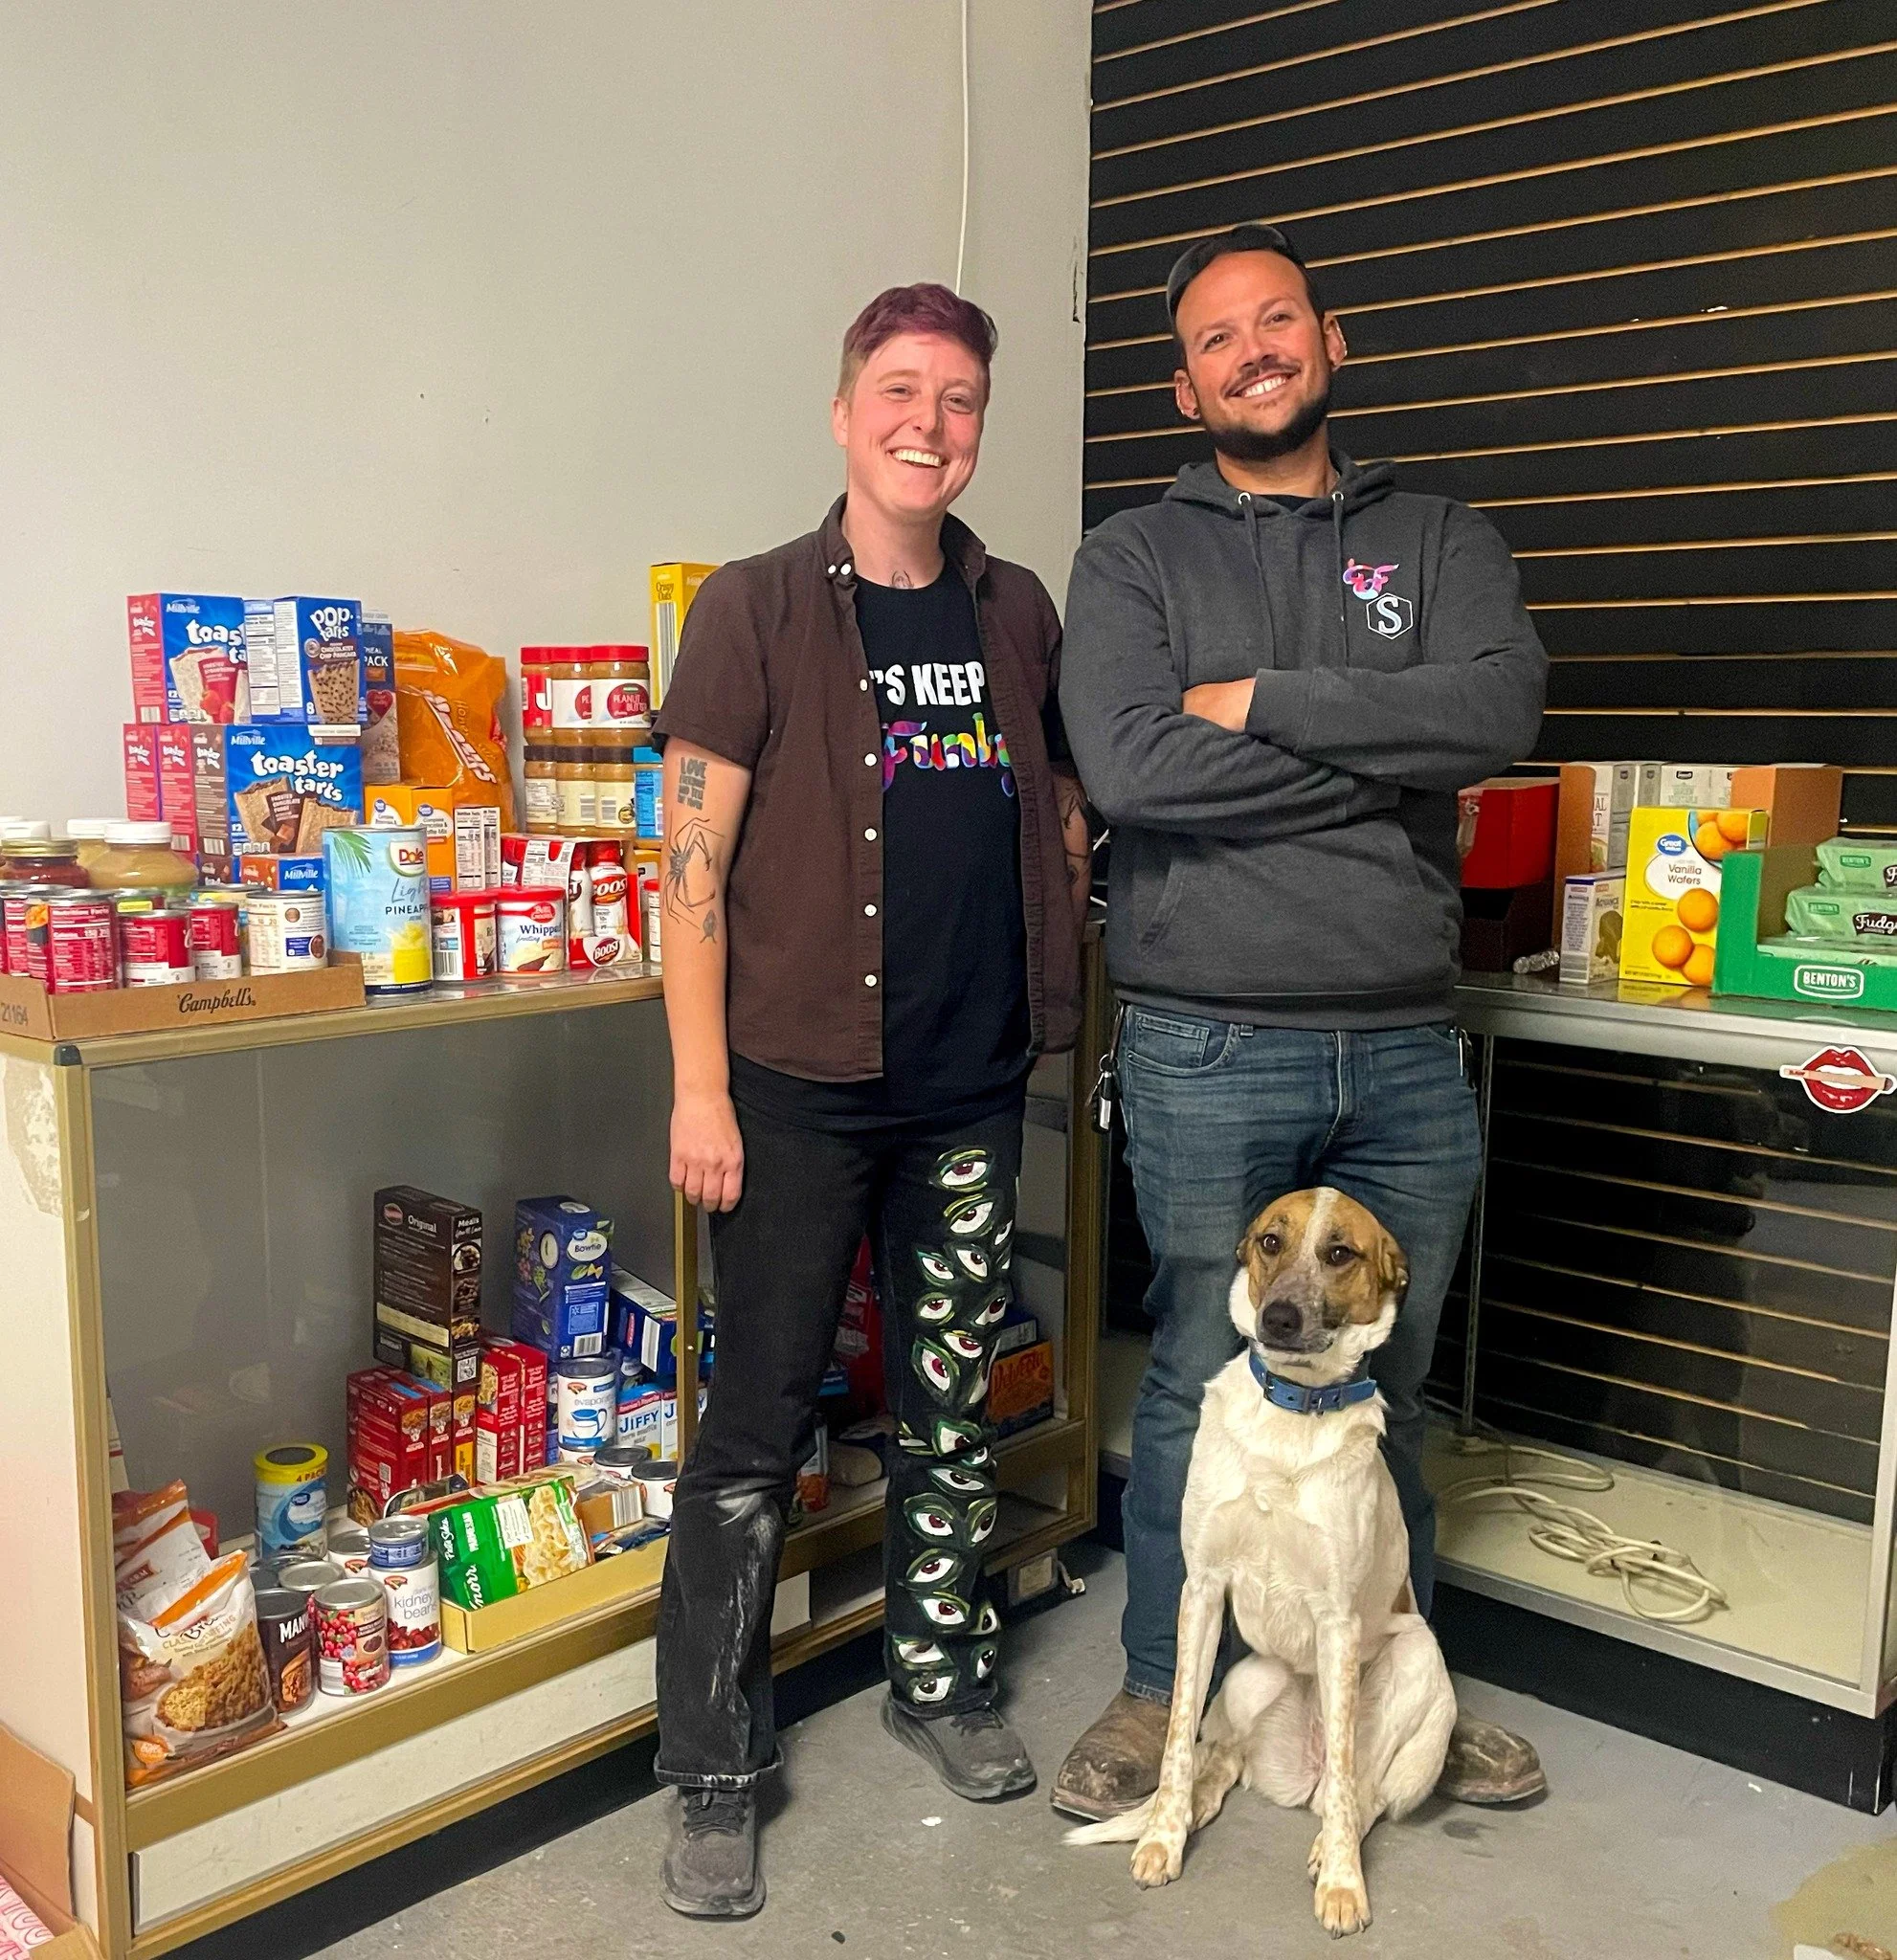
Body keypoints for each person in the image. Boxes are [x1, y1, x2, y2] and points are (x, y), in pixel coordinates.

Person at [1053, 224, 1550, 1820]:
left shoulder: (1437, 529)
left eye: (1277, 322)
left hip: (1406, 1042)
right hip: (1206, 1036)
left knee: (1381, 1386)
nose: (1251, 349)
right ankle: (1156, 1695)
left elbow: (1491, 713)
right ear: (1182, 382)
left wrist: (1257, 702)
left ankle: (1393, 1672)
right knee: (1206, 1378)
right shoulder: (1133, 557)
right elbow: (1130, 773)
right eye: (1216, 336)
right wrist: (1378, 756)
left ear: (1328, 342)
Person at [648, 281, 1091, 1919]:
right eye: (900, 389)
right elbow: (686, 873)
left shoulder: (1015, 608)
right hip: (793, 1094)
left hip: (968, 1087)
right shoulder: (758, 608)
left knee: (949, 1399)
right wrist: (702, 1087)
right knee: (757, 1428)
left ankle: (940, 1678)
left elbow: (1049, 805)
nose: (931, 421)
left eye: (961, 398)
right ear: (844, 412)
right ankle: (709, 1765)